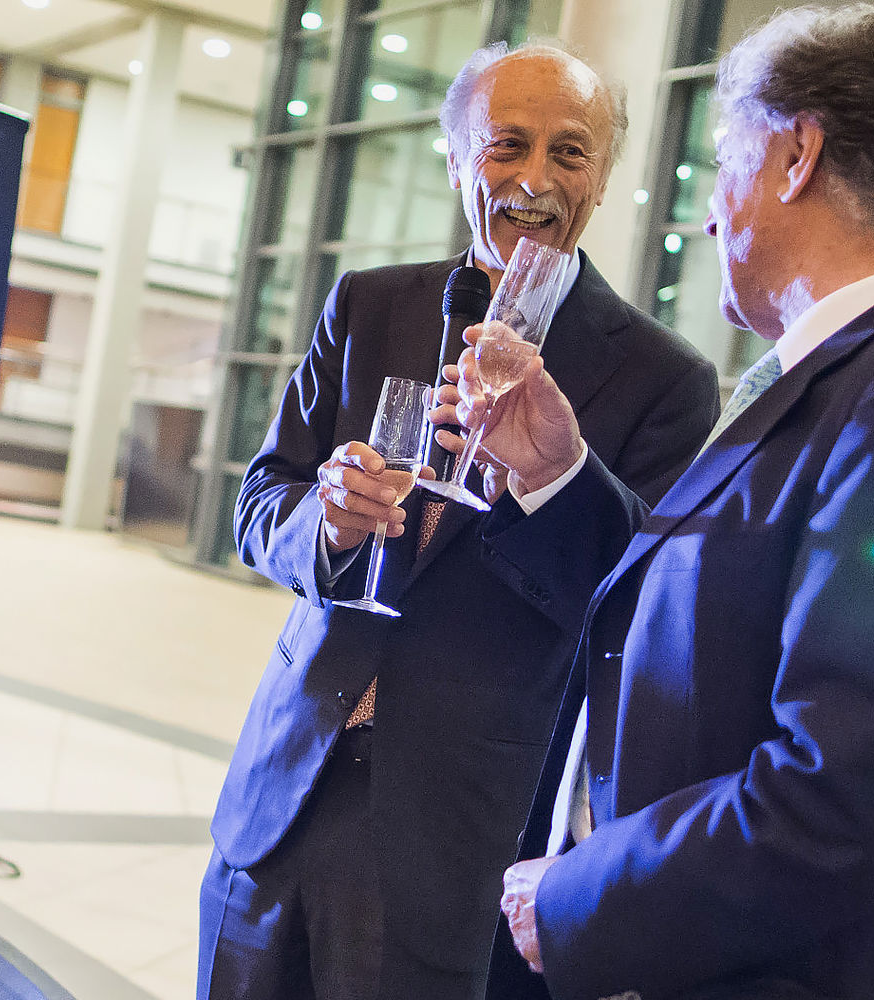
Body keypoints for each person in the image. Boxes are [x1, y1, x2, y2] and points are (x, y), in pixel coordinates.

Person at [473, 6, 874, 999]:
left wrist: (583, 895)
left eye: (722, 162)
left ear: (798, 154)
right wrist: (555, 472)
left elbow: (844, 798)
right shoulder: (861, 375)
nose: (709, 212)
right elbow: (711, 627)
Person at [198, 42, 720, 1000]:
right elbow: (260, 498)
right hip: (280, 793)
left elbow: (640, 603)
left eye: (569, 153)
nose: (535, 179)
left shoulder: (665, 379)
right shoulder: (367, 303)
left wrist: (555, 476)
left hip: (456, 831)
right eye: (505, 145)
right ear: (453, 157)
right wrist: (329, 524)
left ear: (603, 177)